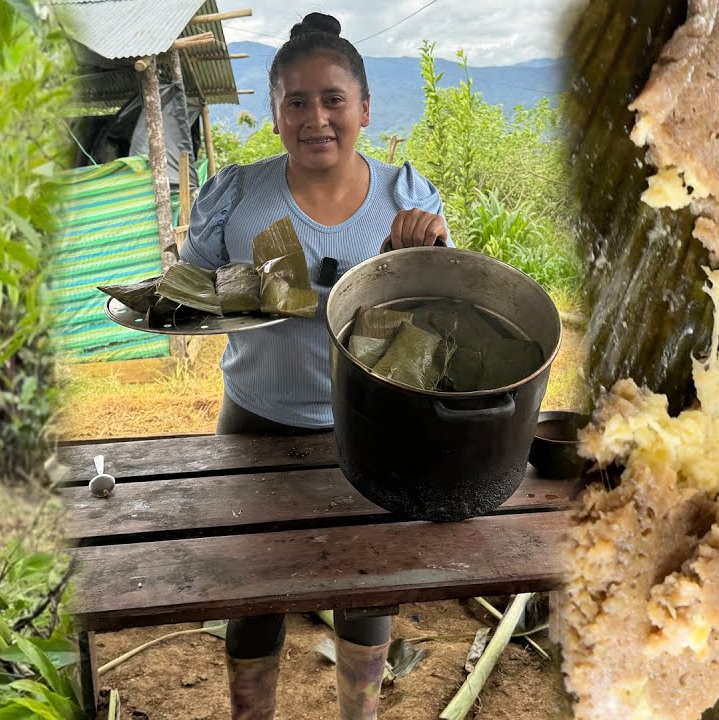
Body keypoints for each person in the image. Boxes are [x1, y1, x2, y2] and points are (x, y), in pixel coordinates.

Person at [179, 13, 450, 720]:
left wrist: (417, 255)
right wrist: (220, 285)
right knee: (253, 591)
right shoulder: (238, 196)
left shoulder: (406, 201)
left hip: (369, 431)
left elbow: (434, 326)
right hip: (253, 424)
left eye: (333, 99)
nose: (316, 117)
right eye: (295, 101)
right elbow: (189, 290)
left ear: (364, 107)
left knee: (364, 594)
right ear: (273, 115)